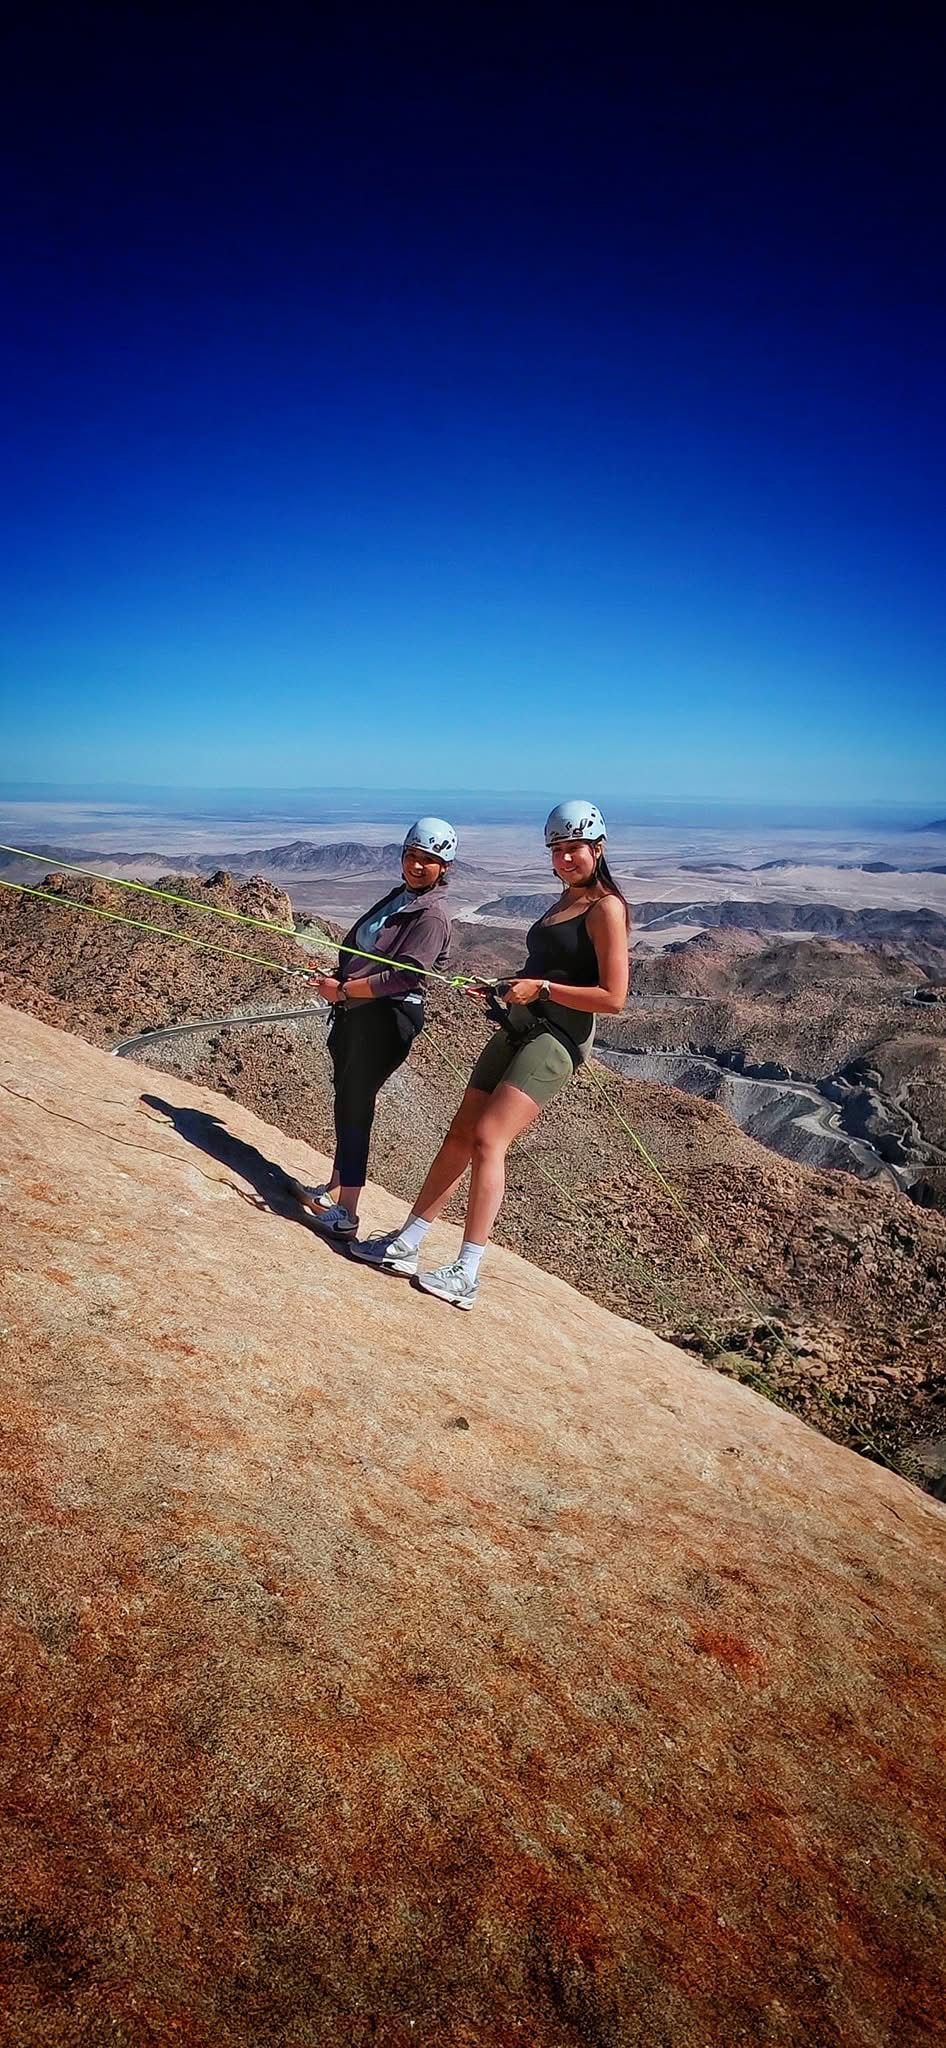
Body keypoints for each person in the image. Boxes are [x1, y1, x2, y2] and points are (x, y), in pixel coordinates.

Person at [350, 799, 629, 1306]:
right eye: (558, 850)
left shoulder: (606, 908)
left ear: (599, 848)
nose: (566, 858)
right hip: (522, 1025)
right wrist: (506, 986)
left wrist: (542, 989)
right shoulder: (564, 902)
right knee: (460, 1131)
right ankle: (408, 1242)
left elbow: (613, 998)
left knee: (487, 1139)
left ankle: (468, 1271)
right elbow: (548, 970)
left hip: (557, 1039)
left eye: (575, 848)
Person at [294, 817, 458, 1240]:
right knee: (347, 1099)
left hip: (386, 1019)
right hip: (360, 1012)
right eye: (412, 856)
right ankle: (335, 1188)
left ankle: (347, 1212)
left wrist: (343, 990)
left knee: (356, 1104)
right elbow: (368, 952)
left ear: (444, 866)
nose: (417, 866)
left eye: (428, 860)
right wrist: (340, 980)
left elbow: (404, 977)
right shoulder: (402, 898)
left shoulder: (432, 915)